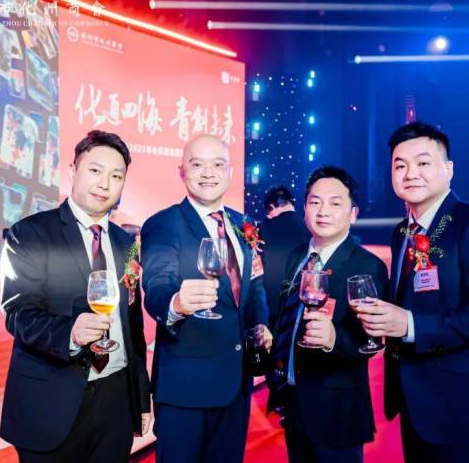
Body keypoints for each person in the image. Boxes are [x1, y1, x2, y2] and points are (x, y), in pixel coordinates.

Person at [356, 121, 469, 463]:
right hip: (415, 401)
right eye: (400, 165)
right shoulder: (402, 232)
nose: (410, 173)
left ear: (449, 169)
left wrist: (410, 325)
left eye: (423, 162)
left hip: (463, 406)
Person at [0, 130, 151, 462]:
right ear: (73, 171)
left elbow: (134, 328)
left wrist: (141, 400)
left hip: (115, 402)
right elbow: (18, 312)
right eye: (95, 171)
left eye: (116, 176)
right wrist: (70, 333)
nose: (104, 184)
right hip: (51, 399)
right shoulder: (32, 233)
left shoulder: (126, 244)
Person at [141, 134, 272, 463]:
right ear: (182, 172)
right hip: (186, 390)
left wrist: (261, 324)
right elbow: (156, 286)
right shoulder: (163, 224)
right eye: (197, 164)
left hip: (236, 385)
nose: (208, 173)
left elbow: (255, 286)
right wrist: (176, 304)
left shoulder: (244, 224)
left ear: (230, 171)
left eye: (217, 164)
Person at [267, 166, 388, 463]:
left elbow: (371, 341)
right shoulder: (297, 256)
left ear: (353, 214)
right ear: (304, 208)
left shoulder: (367, 266)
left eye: (335, 203)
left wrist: (335, 340)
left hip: (337, 410)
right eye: (315, 202)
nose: (323, 211)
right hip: (293, 400)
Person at [258, 185, 310, 325]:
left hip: (269, 307)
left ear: (271, 207)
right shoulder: (310, 227)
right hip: (301, 305)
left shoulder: (263, 228)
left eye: (268, 212)